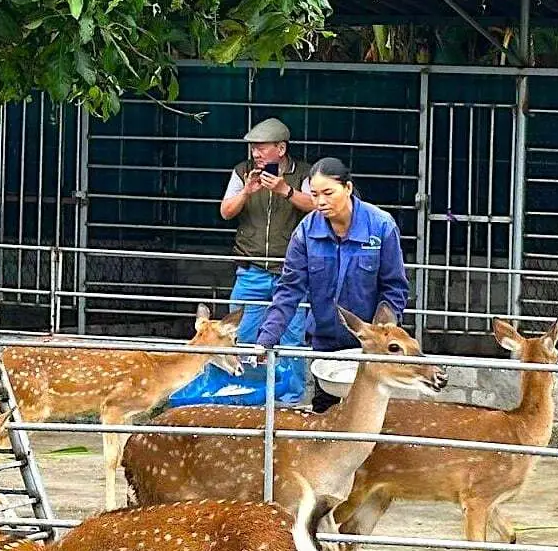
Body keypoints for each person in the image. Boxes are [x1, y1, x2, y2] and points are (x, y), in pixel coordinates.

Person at [169, 117, 313, 407]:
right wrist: (247, 191)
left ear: (281, 149)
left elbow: (316, 207)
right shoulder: (242, 171)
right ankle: (246, 395)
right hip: (251, 270)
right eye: (253, 148)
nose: (255, 153)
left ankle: (292, 400)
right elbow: (226, 211)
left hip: (291, 272)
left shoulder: (304, 174)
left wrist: (285, 190)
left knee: (292, 338)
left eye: (261, 148)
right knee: (242, 334)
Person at [256, 157, 411, 412]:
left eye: (328, 193)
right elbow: (289, 289)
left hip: (371, 345)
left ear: (347, 188)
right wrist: (266, 339)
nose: (320, 202)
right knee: (325, 412)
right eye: (314, 194)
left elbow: (394, 287)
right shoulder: (306, 232)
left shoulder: (381, 226)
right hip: (325, 341)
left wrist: (380, 332)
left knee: (372, 412)